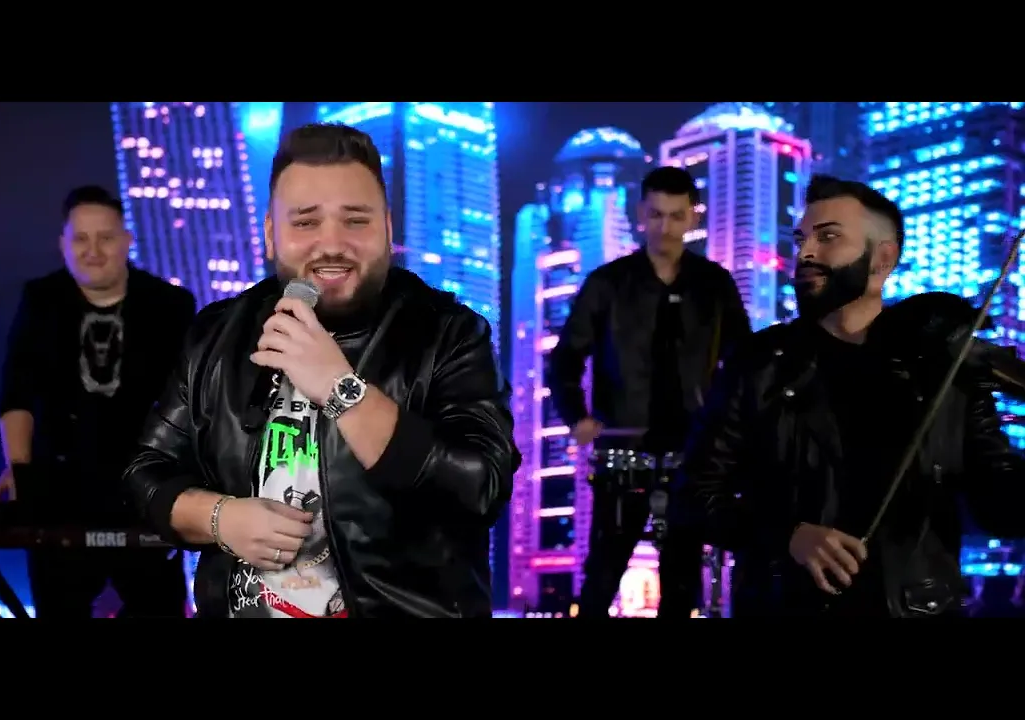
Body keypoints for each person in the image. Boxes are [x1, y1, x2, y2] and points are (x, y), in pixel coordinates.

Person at [125, 122, 519, 618]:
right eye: (306, 222)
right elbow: (145, 473)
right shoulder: (217, 334)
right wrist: (220, 518)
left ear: (387, 229)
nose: (331, 244)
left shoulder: (450, 334)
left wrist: (340, 388)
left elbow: (481, 488)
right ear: (271, 234)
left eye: (355, 220)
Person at [677, 174, 1025, 617]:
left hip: (915, 607)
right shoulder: (759, 363)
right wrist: (788, 535)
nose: (805, 252)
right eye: (801, 238)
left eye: (828, 237)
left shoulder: (943, 365)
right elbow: (693, 495)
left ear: (883, 258)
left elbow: (999, 506)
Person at [544, 165, 751, 619]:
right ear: (640, 214)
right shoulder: (608, 283)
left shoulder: (714, 285)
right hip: (623, 451)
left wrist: (729, 436)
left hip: (692, 454)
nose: (665, 227)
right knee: (602, 575)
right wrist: (576, 415)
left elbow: (743, 366)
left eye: (676, 216)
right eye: (656, 215)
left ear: (692, 217)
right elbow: (565, 358)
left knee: (682, 581)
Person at [0, 185, 196, 618]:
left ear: (127, 241)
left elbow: (191, 402)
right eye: (80, 239)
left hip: (146, 484)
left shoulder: (170, 305)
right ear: (62, 244)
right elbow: (17, 388)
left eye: (105, 238)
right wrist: (20, 469)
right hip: (60, 485)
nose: (92, 251)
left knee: (159, 608)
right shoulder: (41, 300)